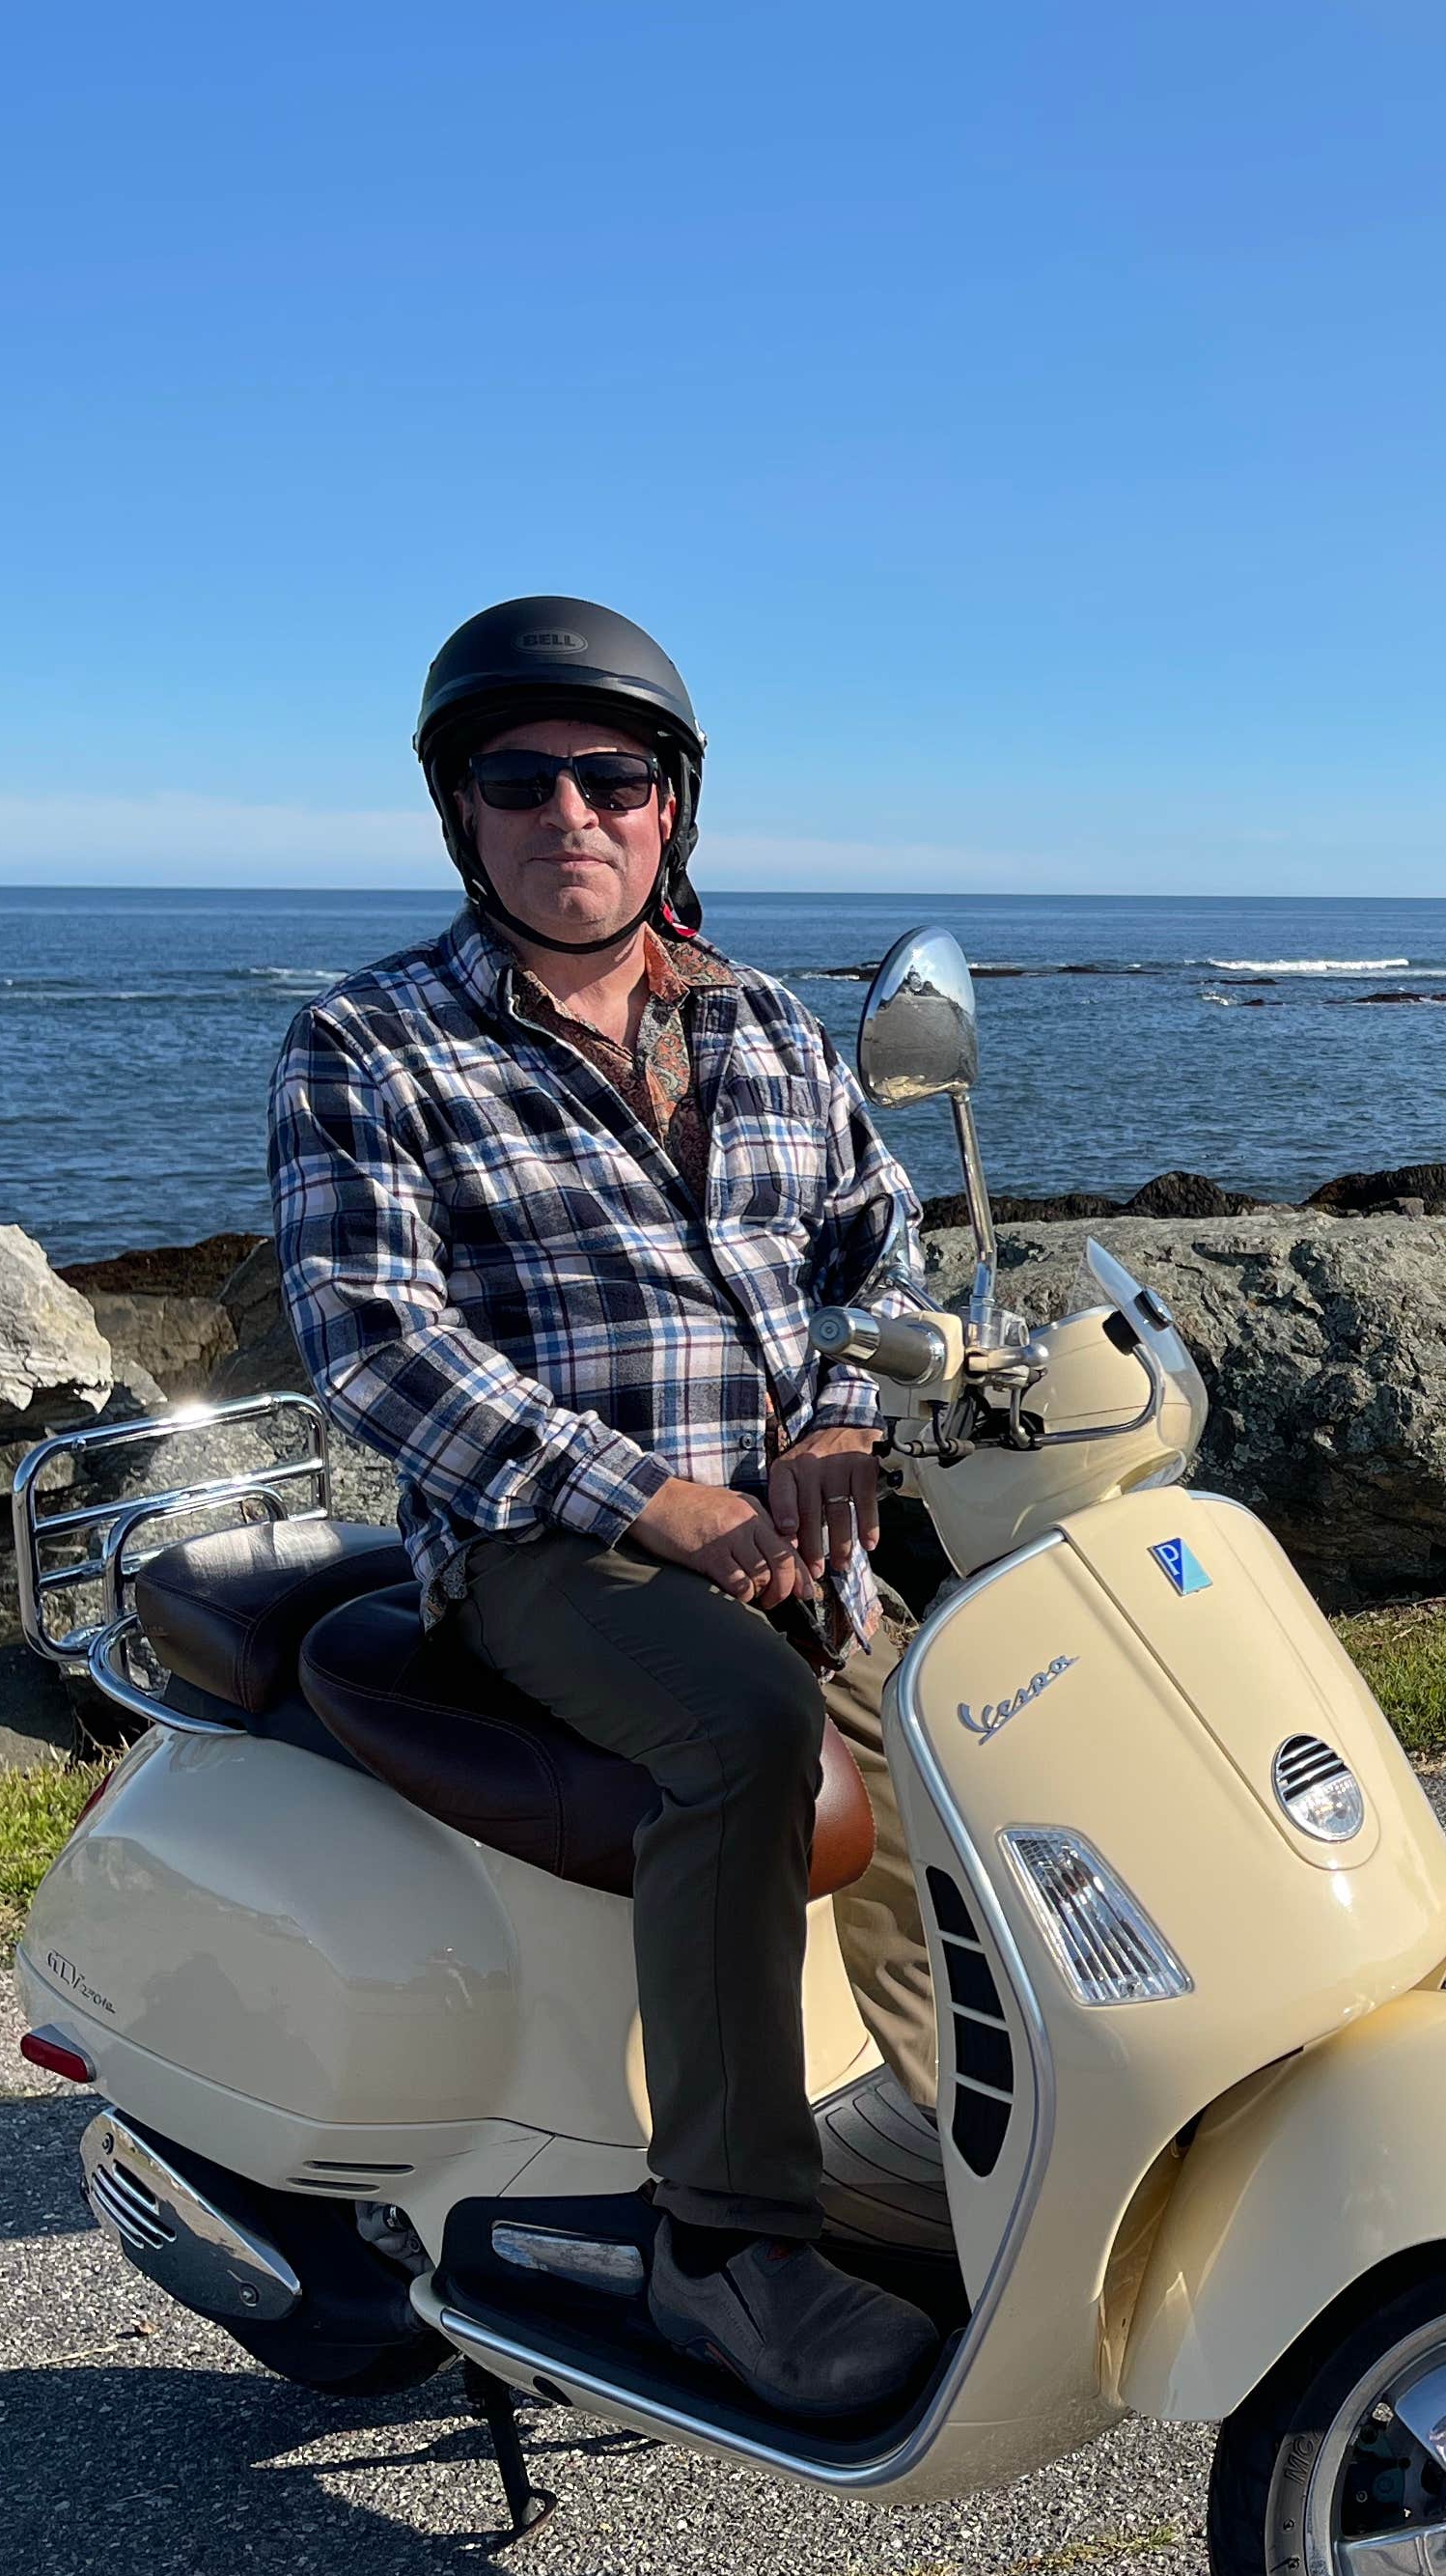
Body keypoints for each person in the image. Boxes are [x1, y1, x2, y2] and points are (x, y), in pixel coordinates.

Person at [268, 596, 941, 2421]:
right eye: (522, 779)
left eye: (616, 777)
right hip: (542, 1549)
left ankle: (947, 2133)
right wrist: (655, 1501)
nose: (575, 814)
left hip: (797, 1533)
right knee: (744, 1731)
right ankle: (727, 2250)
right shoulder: (374, 1045)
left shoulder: (777, 1032)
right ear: (459, 812)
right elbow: (372, 1345)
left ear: (675, 806)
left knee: (985, 1738)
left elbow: (875, 1269)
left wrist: (839, 1431)